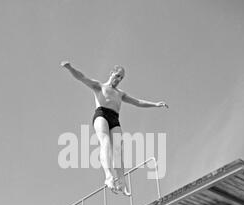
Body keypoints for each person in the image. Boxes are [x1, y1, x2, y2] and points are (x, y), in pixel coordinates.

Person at [60, 61, 169, 195]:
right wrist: (70, 68)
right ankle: (109, 177)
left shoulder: (120, 94)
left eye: (121, 78)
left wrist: (156, 104)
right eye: (117, 76)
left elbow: (138, 102)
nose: (118, 80)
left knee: (118, 148)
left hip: (114, 118)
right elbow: (81, 77)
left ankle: (122, 182)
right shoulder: (99, 86)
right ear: (111, 73)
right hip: (101, 114)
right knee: (105, 142)